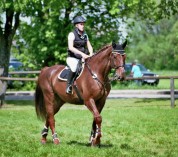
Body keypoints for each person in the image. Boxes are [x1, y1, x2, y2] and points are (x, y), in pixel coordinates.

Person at [66, 16, 93, 94]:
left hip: (82, 58)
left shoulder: (85, 35)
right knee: (74, 68)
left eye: (83, 24)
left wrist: (91, 54)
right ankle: (69, 85)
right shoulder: (72, 34)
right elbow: (71, 47)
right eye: (81, 24)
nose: (83, 25)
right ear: (76, 25)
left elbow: (89, 46)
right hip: (72, 58)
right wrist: (83, 54)